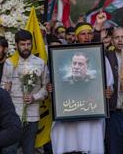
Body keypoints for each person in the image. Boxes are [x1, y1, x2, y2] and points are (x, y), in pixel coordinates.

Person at [50, 13, 114, 154]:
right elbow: (55, 81)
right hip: (67, 114)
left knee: (90, 146)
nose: (87, 37)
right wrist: (51, 87)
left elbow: (109, 84)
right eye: (83, 34)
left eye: (89, 34)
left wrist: (109, 91)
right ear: (76, 37)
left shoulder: (100, 57)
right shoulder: (61, 55)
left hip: (92, 113)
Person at [1, 30, 48, 154]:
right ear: (16, 45)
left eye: (28, 44)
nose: (26, 47)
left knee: (29, 150)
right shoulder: (9, 63)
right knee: (9, 149)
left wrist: (34, 97)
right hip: (13, 115)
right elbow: (2, 87)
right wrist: (6, 88)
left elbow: (46, 88)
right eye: (22, 44)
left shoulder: (40, 63)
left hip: (33, 115)